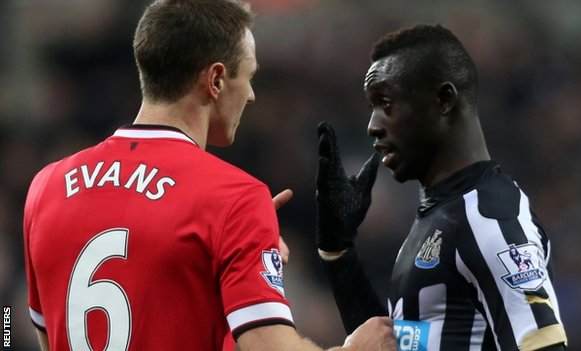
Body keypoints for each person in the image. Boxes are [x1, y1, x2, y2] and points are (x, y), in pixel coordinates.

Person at [22, 1, 397, 350]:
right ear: (216, 79)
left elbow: (42, 333)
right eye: (249, 76)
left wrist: (224, 258)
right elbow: (265, 346)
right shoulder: (234, 197)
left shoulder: (46, 187)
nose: (250, 95)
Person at [315, 25, 567, 351]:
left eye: (386, 102)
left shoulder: (488, 216)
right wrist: (339, 253)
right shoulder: (442, 218)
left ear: (443, 100)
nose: (373, 125)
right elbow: (392, 346)